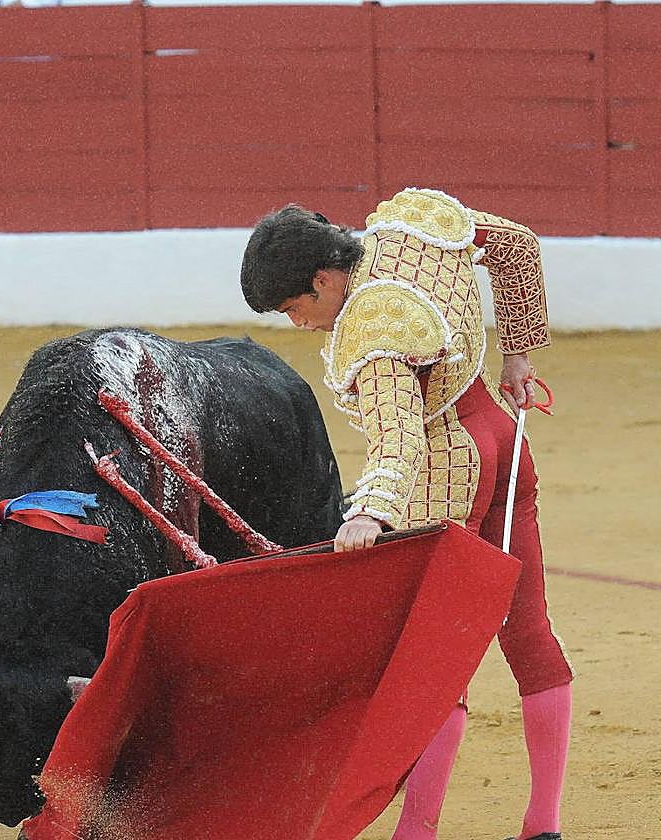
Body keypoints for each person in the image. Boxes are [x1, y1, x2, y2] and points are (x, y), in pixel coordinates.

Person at [240, 187, 573, 840]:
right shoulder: (407, 229)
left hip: (450, 467)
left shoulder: (374, 330)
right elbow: (516, 246)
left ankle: (415, 835)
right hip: (505, 439)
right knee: (529, 634)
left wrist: (370, 513)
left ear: (323, 278)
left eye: (294, 306)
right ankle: (544, 826)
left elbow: (401, 441)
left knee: (433, 669)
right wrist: (518, 354)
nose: (296, 323)